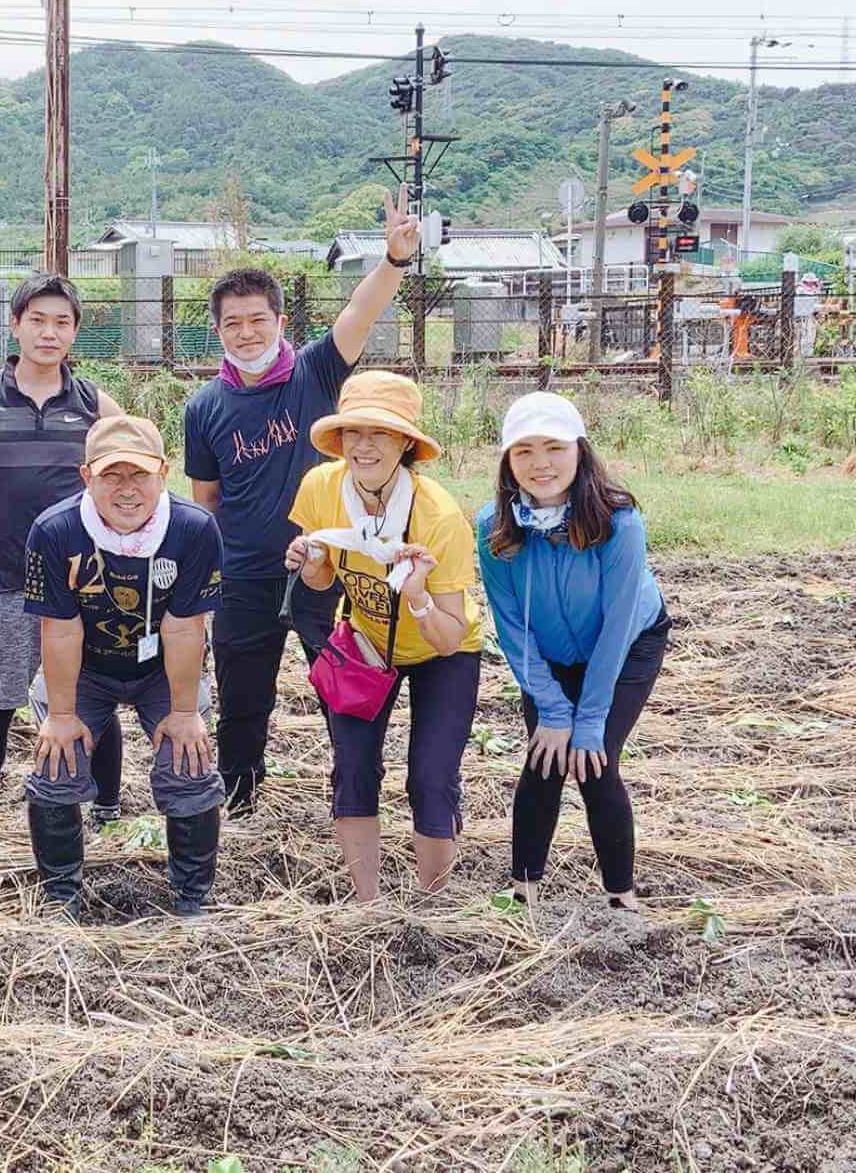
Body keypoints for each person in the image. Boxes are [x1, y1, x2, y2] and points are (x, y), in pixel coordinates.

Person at [185, 187, 421, 818]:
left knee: (344, 684)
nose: (246, 331)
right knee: (242, 697)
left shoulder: (316, 372)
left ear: (280, 321)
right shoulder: (205, 406)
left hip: (330, 566)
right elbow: (204, 500)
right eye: (232, 322)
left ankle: (357, 794)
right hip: (244, 576)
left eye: (258, 319)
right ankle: (238, 799)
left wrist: (393, 260)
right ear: (218, 331)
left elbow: (359, 314)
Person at [0, 273, 127, 824]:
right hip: (2, 583)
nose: (48, 332)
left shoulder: (94, 402)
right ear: (15, 326)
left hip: (84, 585)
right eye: (37, 319)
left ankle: (105, 807)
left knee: (90, 701)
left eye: (62, 322)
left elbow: (129, 472)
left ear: (75, 332)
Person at [286, 371, 482, 903]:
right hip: (366, 643)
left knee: (431, 777)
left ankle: (431, 905)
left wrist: (417, 596)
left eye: (381, 433)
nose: (364, 446)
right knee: (352, 767)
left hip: (442, 649)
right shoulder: (321, 488)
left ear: (406, 444)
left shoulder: (438, 516)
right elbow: (322, 580)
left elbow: (447, 636)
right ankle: (367, 905)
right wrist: (313, 564)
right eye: (353, 433)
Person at [22, 416, 224, 919]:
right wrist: (63, 715)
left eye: (140, 475)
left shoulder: (194, 529)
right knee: (56, 761)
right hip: (84, 668)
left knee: (189, 759)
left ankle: (192, 897)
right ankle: (61, 894)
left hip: (162, 668)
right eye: (112, 476)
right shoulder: (55, 531)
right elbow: (61, 629)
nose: (127, 490)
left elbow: (183, 627)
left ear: (164, 472)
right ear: (87, 476)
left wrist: (183, 712)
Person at [476, 393, 670, 909]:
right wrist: (554, 708)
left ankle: (620, 896)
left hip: (628, 645)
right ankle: (523, 889)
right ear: (507, 462)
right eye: (524, 451)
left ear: (580, 451)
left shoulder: (618, 522)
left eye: (554, 448)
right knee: (545, 754)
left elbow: (618, 625)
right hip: (549, 654)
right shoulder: (493, 529)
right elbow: (511, 625)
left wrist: (587, 719)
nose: (541, 463)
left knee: (594, 759)